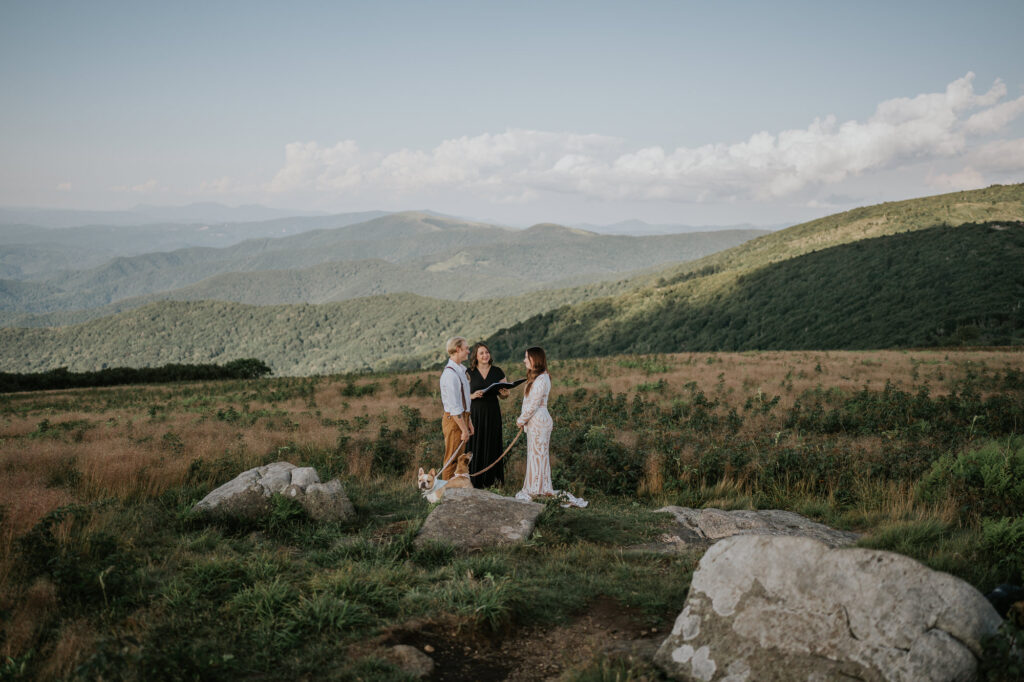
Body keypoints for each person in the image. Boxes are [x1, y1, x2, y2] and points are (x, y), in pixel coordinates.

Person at [515, 346, 587, 507]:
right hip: (535, 420)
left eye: (527, 357)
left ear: (535, 359)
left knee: (538, 456)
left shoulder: (542, 379)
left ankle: (537, 488)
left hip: (539, 420)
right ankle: (536, 487)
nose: (524, 360)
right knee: (535, 455)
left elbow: (534, 403)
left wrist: (521, 419)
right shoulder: (538, 378)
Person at [467, 342, 509, 488]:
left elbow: (505, 394)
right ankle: (474, 480)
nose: (485, 355)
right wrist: (472, 395)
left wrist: (505, 394)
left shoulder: (498, 371)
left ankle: (492, 481)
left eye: (486, 352)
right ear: (476, 356)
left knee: (492, 442)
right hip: (476, 413)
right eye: (481, 353)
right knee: (475, 443)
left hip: (492, 413)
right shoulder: (469, 372)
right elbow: (462, 394)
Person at [439, 336, 473, 480]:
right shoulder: (450, 375)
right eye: (466, 348)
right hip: (454, 421)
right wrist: (464, 429)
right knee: (452, 461)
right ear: (458, 349)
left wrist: (469, 421)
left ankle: (456, 492)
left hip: (462, 418)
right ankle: (445, 496)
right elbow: (454, 407)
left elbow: (464, 400)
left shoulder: (459, 371)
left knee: (460, 459)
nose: (468, 351)